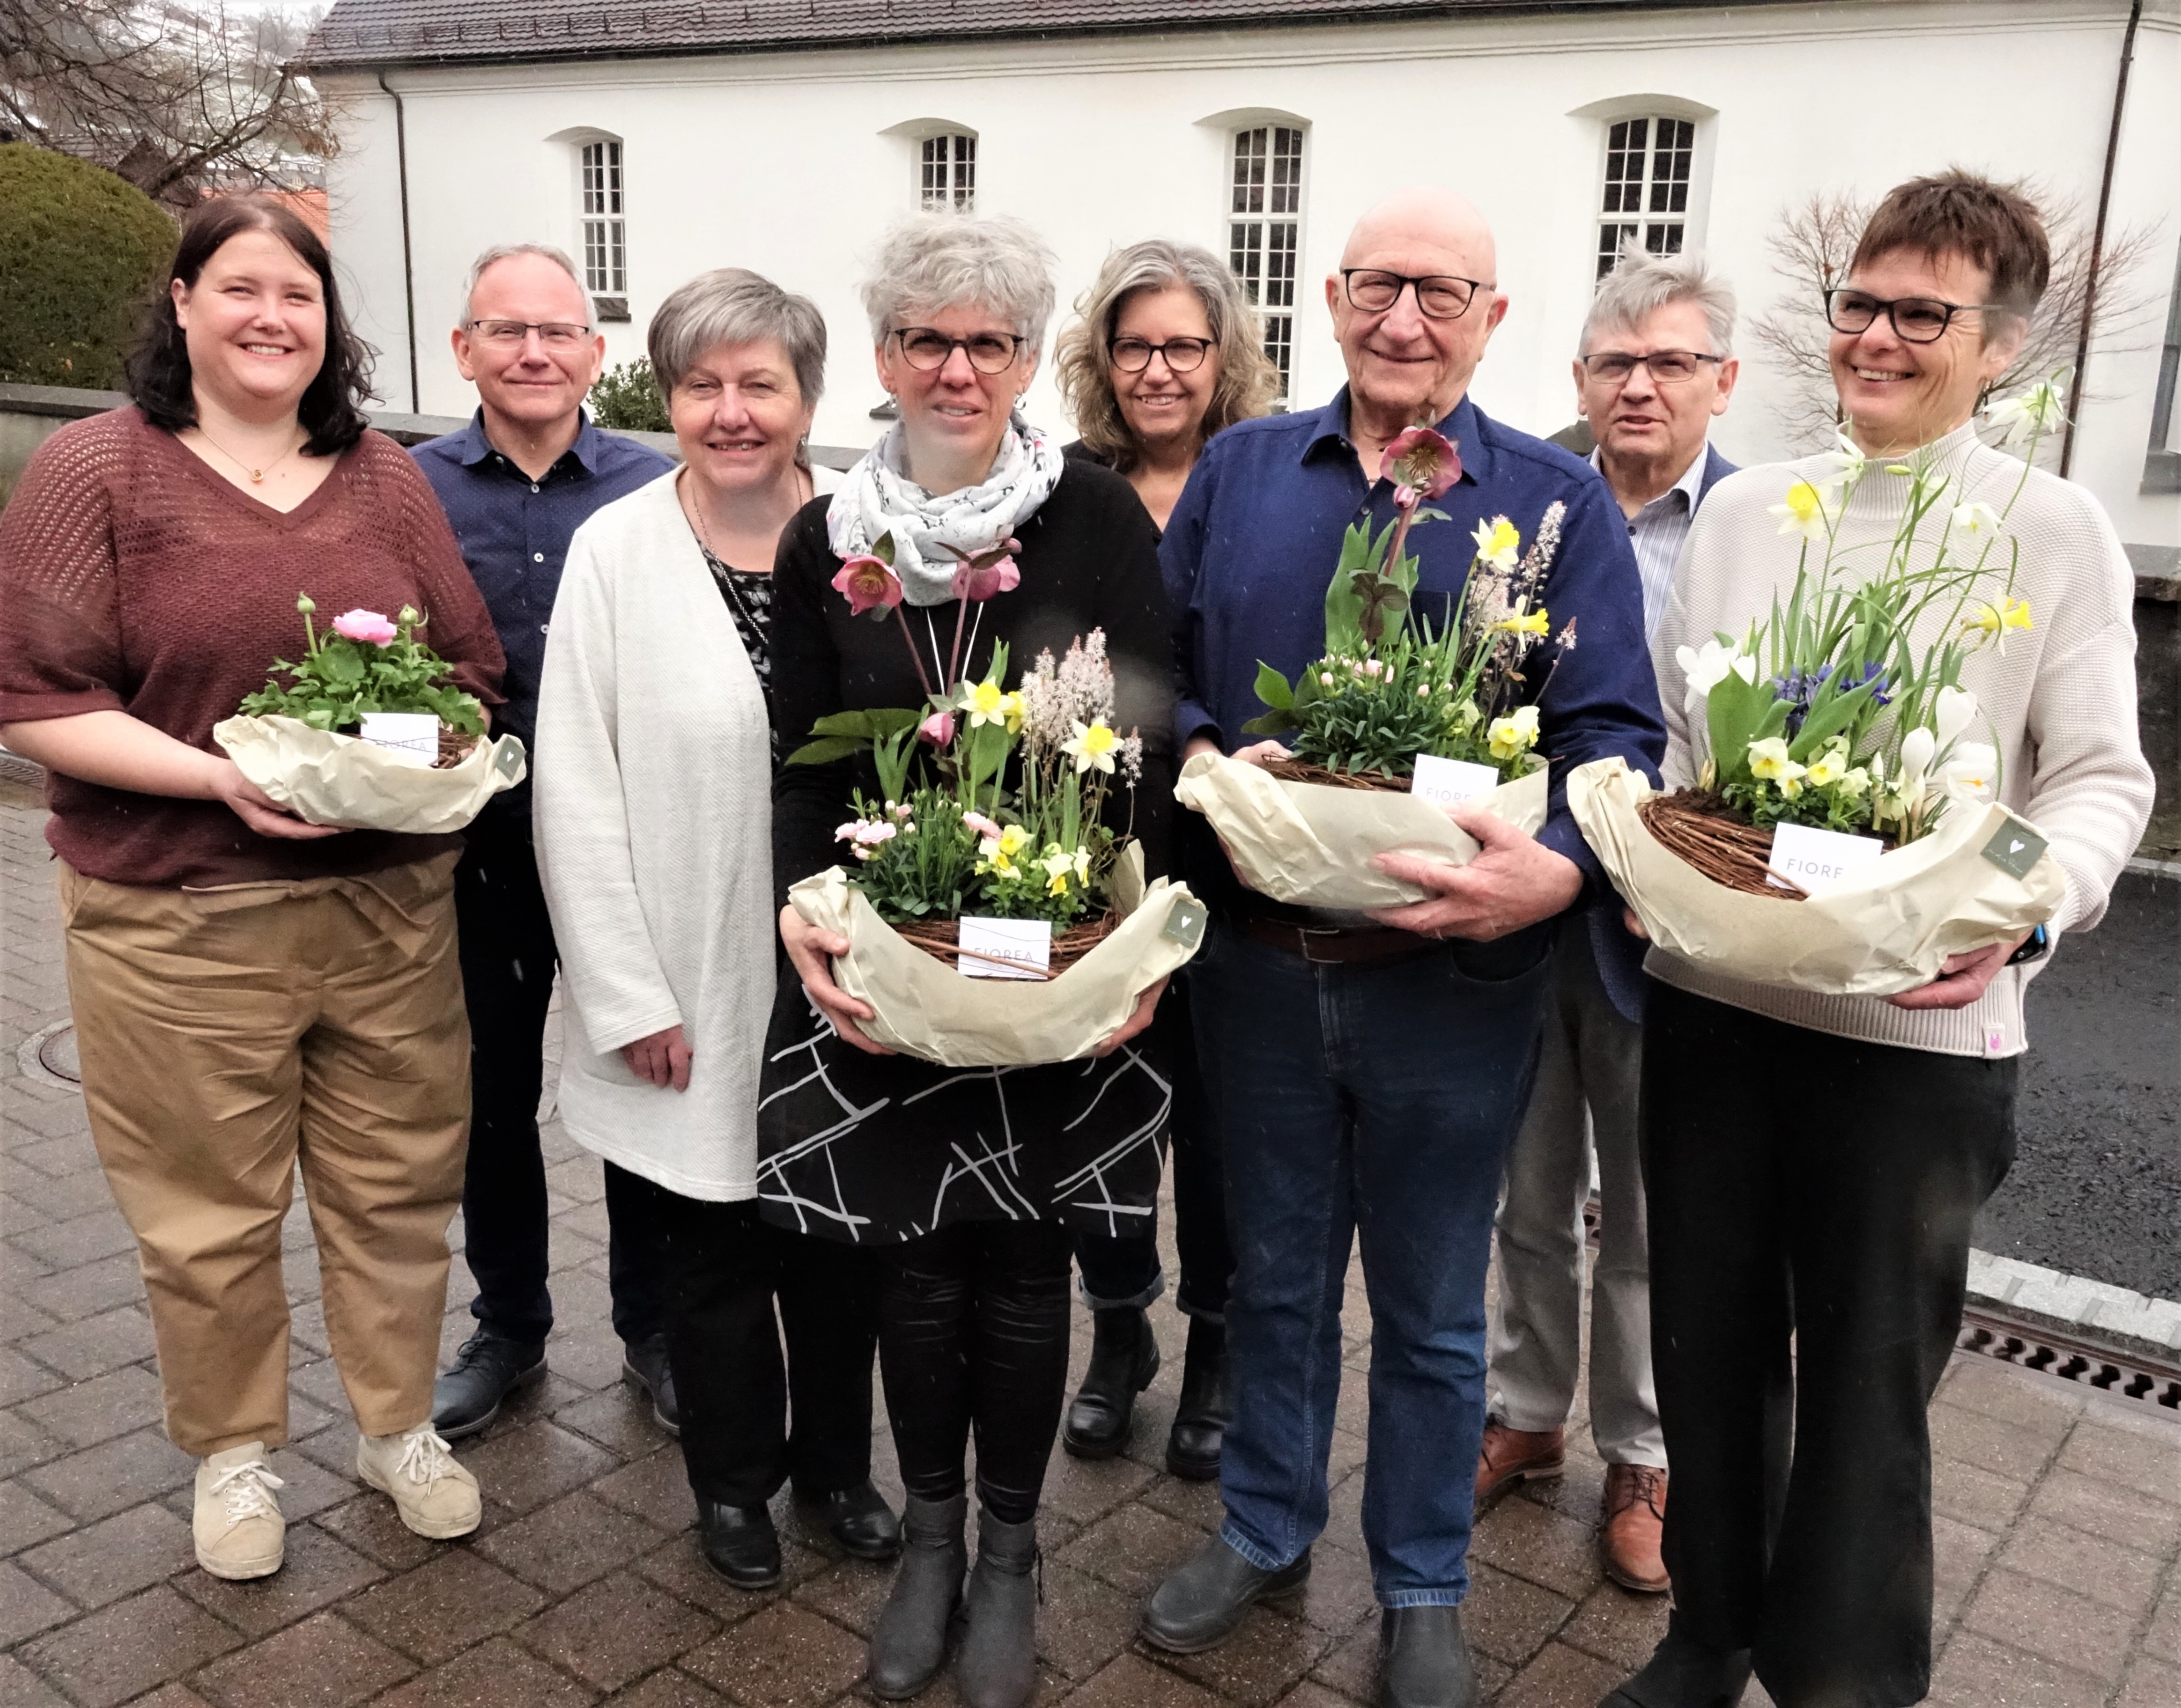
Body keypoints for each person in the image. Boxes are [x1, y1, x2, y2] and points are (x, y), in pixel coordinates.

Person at [1611, 170, 2152, 1708]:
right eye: (1859, 302)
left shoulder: (2044, 530)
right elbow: (1677, 743)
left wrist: (2027, 911)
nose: (1877, 334)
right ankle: (1705, 1627)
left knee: (1863, 1388)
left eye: (1923, 312)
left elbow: (2098, 774)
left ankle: (1840, 1675)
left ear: (2000, 350)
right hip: (1715, 1001)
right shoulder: (1738, 508)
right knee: (1706, 1345)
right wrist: (1656, 859)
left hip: (1915, 1035)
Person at [1144, 186, 1666, 1708]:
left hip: (1451, 981)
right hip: (1255, 966)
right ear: (1327, 297)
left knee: (1437, 1309)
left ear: (1491, 321)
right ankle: (1260, 1525)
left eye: (1443, 294)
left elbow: (1610, 732)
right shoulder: (1242, 475)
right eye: (1378, 285)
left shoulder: (1553, 507)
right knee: (1276, 1284)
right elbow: (1151, 673)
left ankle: (1422, 1580)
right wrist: (1201, 759)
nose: (1405, 319)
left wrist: (1553, 872)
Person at [0, 193, 503, 1580]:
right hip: (176, 919)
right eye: (239, 289)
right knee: (207, 1209)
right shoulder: (98, 473)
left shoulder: (383, 479)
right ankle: (232, 1457)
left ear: (329, 320)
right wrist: (219, 776)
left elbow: (465, 671)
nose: (272, 317)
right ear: (181, 304)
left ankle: (395, 1426)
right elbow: (32, 699)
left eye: (298, 293)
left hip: (388, 913)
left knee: (396, 1188)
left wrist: (407, 759)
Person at [761, 212, 1174, 1708]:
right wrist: (813, 922)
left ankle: (1010, 1555)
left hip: (1051, 972)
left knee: (1020, 1271)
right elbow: (805, 767)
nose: (956, 367)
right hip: (885, 972)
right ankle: (928, 1540)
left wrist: (1125, 954)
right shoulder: (829, 536)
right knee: (908, 1276)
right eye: (926, 340)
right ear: (882, 356)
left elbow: (1142, 755)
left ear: (1023, 360)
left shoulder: (1094, 522)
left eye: (988, 342)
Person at [532, 267, 894, 1591]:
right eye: (702, 385)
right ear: (665, 394)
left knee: (847, 1246)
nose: (732, 412)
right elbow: (573, 783)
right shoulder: (618, 552)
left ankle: (840, 1472)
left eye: (761, 384)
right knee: (713, 1251)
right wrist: (627, 994)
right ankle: (734, 1487)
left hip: (855, 977)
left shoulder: (870, 541)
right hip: (688, 974)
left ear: (807, 396)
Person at [1475, 244, 1740, 1594]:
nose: (1640, 387)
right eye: (1615, 364)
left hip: (1670, 936)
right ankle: (1524, 1413)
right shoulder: (1533, 512)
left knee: (1647, 1207)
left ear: (1723, 381)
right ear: (1578, 377)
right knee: (1523, 1186)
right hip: (1529, 907)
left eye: (1671, 364)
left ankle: (1642, 1452)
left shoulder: (1764, 526)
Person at [412, 244, 677, 1440]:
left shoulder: (657, 489)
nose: (534, 352)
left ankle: (656, 1326)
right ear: (462, 349)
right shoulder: (407, 491)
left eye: (559, 332)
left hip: (629, 849)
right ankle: (511, 1325)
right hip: (477, 854)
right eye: (504, 330)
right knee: (490, 1096)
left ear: (596, 353)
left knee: (640, 1077)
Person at [1046, 238, 1279, 1475]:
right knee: (1098, 1101)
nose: (1158, 367)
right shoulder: (1071, 486)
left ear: (1223, 355)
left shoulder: (1265, 481)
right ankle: (1120, 1328)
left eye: (1184, 344)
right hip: (1099, 850)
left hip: (1237, 853)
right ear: (1103, 356)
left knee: (1226, 1125)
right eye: (1134, 344)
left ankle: (1218, 1350)